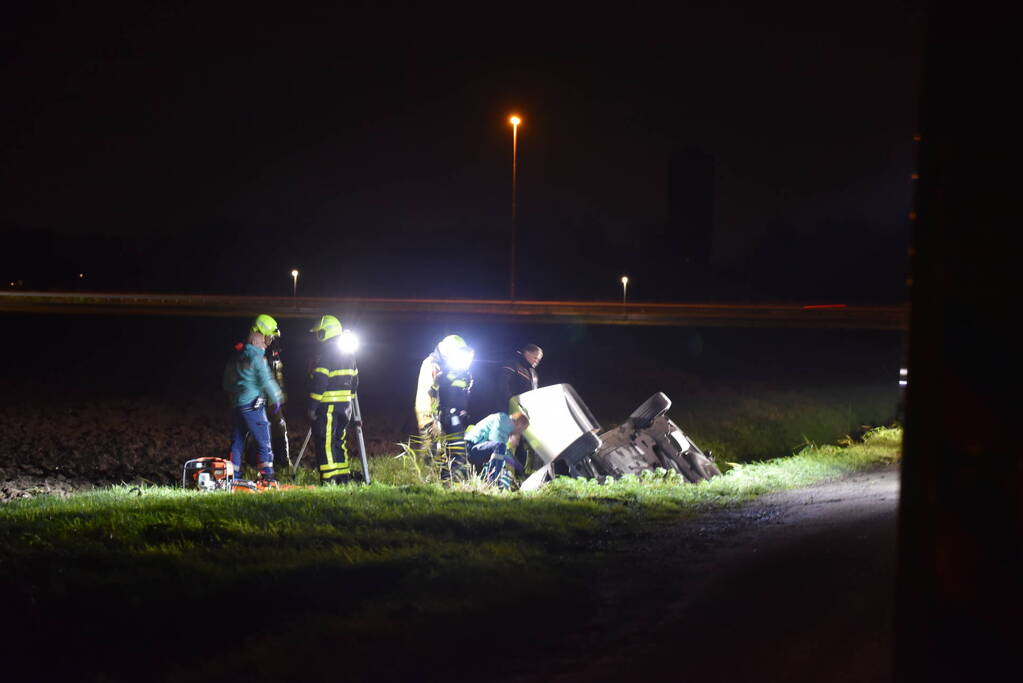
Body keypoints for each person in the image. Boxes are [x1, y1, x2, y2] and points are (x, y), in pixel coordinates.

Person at [223, 314, 283, 482]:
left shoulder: (238, 355)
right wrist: (277, 397)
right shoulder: (258, 358)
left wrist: (231, 396)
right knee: (263, 438)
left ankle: (233, 475)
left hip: (237, 404)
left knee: (237, 440)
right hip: (253, 405)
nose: (269, 341)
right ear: (262, 335)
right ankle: (267, 476)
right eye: (269, 336)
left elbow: (227, 380)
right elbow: (266, 380)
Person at [307, 314, 358, 485]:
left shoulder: (325, 354)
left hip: (327, 406)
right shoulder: (350, 355)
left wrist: (312, 407)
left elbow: (320, 381)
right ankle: (342, 476)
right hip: (345, 407)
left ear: (326, 333)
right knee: (339, 440)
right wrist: (349, 402)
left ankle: (329, 479)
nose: (317, 337)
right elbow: (355, 381)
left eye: (319, 333)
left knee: (326, 442)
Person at [414, 334, 474, 477]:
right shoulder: (432, 364)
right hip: (430, 417)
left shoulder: (451, 367)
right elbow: (426, 395)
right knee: (432, 453)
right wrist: (429, 421)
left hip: (447, 416)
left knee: (451, 450)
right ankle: (427, 484)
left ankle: (448, 482)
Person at [499, 343, 543, 472]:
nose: (537, 361)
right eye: (535, 357)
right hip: (511, 413)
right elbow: (502, 388)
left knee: (524, 447)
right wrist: (509, 408)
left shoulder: (533, 372)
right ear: (527, 353)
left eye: (539, 359)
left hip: (526, 415)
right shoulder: (512, 365)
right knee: (510, 444)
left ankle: (522, 475)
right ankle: (504, 475)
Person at [464, 411, 530, 489]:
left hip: (474, 449)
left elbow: (500, 452)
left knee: (499, 449)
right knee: (500, 446)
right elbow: (498, 446)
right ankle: (492, 482)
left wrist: (518, 467)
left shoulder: (504, 420)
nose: (521, 432)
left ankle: (490, 484)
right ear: (520, 424)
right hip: (471, 449)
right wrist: (518, 467)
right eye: (523, 429)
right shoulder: (505, 421)